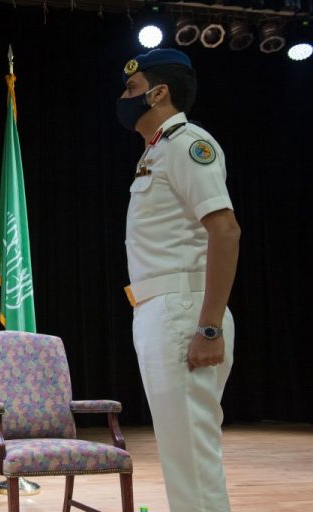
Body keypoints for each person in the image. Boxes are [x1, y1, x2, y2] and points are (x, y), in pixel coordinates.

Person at [116, 49, 241, 511]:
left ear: (159, 93)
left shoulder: (187, 144)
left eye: (132, 88)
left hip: (184, 311)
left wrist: (208, 327)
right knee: (182, 457)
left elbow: (225, 229)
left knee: (192, 459)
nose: (124, 97)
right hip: (160, 309)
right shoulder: (156, 152)